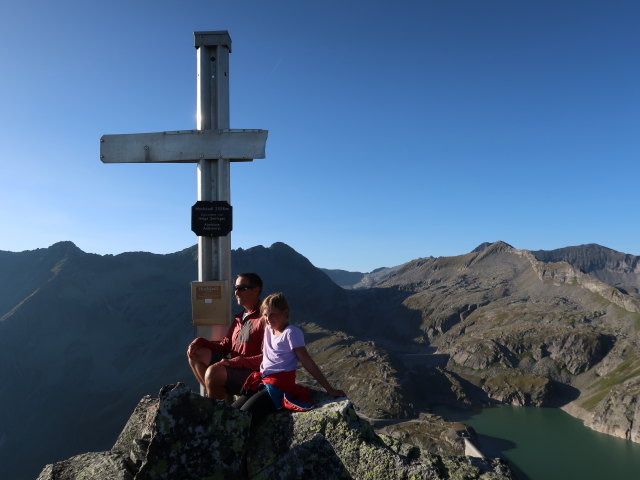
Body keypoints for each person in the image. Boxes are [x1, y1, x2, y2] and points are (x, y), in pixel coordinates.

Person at [232, 292, 346, 423]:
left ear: (285, 313)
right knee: (233, 411)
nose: (268, 318)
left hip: (278, 386)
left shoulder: (291, 333)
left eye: (273, 314)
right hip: (264, 381)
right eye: (265, 315)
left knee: (243, 418)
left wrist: (329, 389)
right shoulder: (269, 329)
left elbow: (307, 361)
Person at [187, 273, 265, 400]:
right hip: (235, 366)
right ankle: (218, 399)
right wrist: (200, 341)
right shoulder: (239, 318)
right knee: (196, 353)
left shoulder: (264, 318)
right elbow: (225, 347)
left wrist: (235, 362)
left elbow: (267, 357)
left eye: (241, 288)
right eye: (235, 288)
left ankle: (218, 410)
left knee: (214, 373)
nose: (236, 292)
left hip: (252, 373)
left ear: (256, 290)